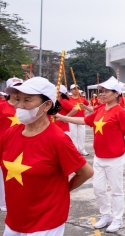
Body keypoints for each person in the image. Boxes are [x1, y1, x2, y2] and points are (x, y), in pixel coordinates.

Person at [2, 77, 93, 235]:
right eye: (18, 99)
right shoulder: (11, 133)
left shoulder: (58, 139)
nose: (19, 105)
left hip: (45, 222)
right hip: (15, 219)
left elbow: (86, 172)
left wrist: (63, 190)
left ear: (47, 105)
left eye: (27, 100)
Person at [56, 78, 125, 233]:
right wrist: (63, 118)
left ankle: (118, 219)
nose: (103, 94)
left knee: (116, 189)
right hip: (99, 157)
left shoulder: (120, 112)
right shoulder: (100, 109)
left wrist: (122, 148)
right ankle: (106, 215)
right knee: (98, 188)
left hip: (115, 158)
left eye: (106, 91)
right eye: (102, 91)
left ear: (116, 93)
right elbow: (85, 120)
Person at [0, 77, 24, 212]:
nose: (17, 91)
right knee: (3, 175)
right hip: (3, 145)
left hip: (21, 145)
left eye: (20, 87)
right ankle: (3, 203)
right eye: (14, 88)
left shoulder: (27, 107)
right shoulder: (2, 106)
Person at [67, 84, 90, 156]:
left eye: (77, 89)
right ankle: (75, 150)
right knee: (73, 135)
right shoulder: (69, 99)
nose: (75, 90)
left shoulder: (82, 99)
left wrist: (85, 109)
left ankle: (82, 149)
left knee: (81, 135)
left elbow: (87, 104)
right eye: (74, 89)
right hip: (72, 119)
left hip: (81, 119)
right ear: (71, 90)